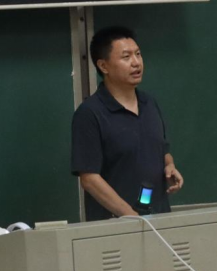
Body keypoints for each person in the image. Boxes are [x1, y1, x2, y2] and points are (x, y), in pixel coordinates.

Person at [71, 26, 183, 220]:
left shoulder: (149, 103)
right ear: (103, 66)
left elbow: (162, 149)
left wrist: (170, 165)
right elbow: (89, 179)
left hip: (160, 220)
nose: (136, 63)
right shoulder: (90, 113)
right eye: (126, 57)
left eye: (138, 54)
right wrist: (131, 217)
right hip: (116, 226)